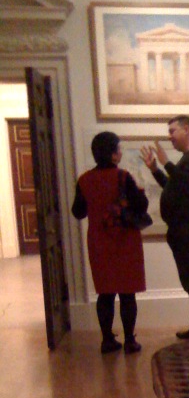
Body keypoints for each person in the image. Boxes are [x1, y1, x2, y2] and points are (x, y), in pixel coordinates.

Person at [72, 131, 148, 354]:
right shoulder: (123, 177)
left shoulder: (84, 180)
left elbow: (78, 212)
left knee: (105, 293)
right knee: (127, 293)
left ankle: (107, 340)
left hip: (98, 241)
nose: (121, 153)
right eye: (119, 149)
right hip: (125, 240)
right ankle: (130, 341)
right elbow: (141, 206)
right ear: (113, 154)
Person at [141, 115, 189, 340]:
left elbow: (188, 185)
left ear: (187, 129)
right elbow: (174, 187)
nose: (169, 137)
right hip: (182, 232)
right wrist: (156, 170)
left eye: (173, 131)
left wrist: (166, 163)